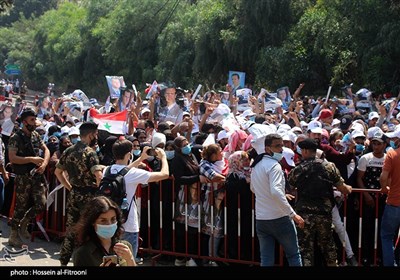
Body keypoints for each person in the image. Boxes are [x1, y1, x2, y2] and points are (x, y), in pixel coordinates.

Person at [288, 138, 352, 266]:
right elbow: (342, 188)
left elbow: (290, 185)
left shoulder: (299, 169)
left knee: (305, 249)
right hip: (324, 214)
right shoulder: (329, 167)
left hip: (304, 215)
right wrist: (348, 189)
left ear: (305, 151)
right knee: (328, 247)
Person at [109, 138, 169, 264]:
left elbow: (123, 172)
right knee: (128, 261)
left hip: (111, 222)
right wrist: (163, 157)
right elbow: (164, 174)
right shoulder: (133, 173)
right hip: (128, 224)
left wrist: (141, 158)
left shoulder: (107, 170)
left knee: (112, 261)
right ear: (129, 154)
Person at [250, 133, 304, 266]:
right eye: (278, 146)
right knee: (294, 255)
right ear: (268, 149)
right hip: (279, 218)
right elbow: (275, 191)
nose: (281, 149)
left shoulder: (257, 166)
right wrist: (293, 215)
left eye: (282, 145)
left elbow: (254, 188)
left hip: (262, 219)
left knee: (266, 259)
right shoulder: (274, 166)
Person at [55, 121, 104, 266]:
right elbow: (99, 176)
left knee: (71, 230)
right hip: (89, 196)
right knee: (90, 230)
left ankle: (63, 262)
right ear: (90, 135)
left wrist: (70, 187)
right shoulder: (90, 153)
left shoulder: (68, 150)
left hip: (74, 194)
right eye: (95, 134)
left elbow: (58, 172)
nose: (96, 137)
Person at [7, 108, 50, 248]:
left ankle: (25, 221)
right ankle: (13, 236)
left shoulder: (36, 135)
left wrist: (43, 164)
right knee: (20, 207)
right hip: (23, 178)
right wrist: (31, 159)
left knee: (41, 203)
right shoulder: (16, 138)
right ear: (24, 122)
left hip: (36, 176)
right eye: (31, 120)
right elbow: (12, 158)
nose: (34, 123)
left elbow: (46, 150)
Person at [72, 196, 136, 266]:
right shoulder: (83, 253)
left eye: (113, 219)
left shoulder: (125, 247)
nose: (109, 224)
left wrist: (130, 259)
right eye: (103, 220)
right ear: (93, 222)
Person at [379, 130, 400, 266]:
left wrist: (383, 188)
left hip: (394, 202)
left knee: (386, 236)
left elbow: (383, 177)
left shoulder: (392, 154)